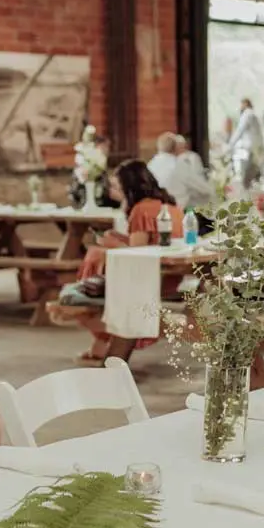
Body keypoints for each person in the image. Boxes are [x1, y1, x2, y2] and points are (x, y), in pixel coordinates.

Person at [67, 160, 183, 365]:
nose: (114, 191)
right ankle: (101, 346)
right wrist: (117, 238)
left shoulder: (141, 209)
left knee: (95, 255)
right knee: (99, 253)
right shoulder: (170, 206)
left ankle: (96, 322)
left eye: (117, 187)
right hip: (171, 276)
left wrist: (110, 242)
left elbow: (137, 255)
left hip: (150, 281)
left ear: (130, 188)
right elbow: (151, 245)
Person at [227, 98, 264, 188]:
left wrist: (230, 145)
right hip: (259, 148)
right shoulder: (254, 115)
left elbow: (240, 130)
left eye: (241, 105)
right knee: (257, 175)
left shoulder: (247, 114)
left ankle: (248, 196)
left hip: (253, 150)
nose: (240, 107)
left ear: (245, 104)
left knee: (247, 179)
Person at [68, 134, 116, 208]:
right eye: (104, 146)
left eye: (108, 147)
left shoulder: (101, 168)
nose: (107, 150)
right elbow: (75, 192)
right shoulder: (84, 166)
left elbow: (106, 190)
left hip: (103, 206)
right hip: (86, 206)